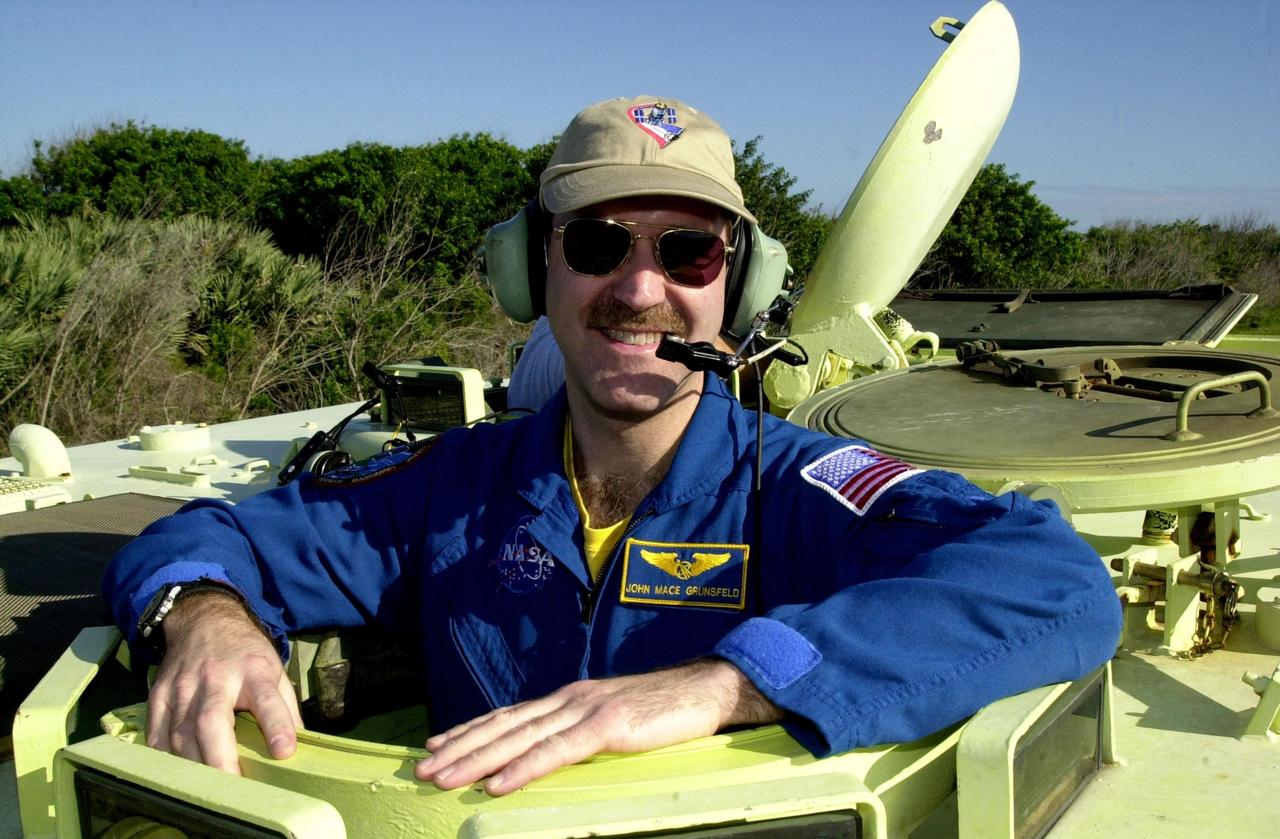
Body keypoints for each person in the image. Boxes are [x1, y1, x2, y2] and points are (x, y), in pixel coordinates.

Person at [105, 95, 1121, 797]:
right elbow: (202, 533)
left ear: (740, 282)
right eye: (597, 244)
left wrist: (728, 678)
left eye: (686, 250)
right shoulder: (445, 488)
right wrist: (206, 614)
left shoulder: (798, 484)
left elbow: (1050, 578)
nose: (640, 291)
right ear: (529, 271)